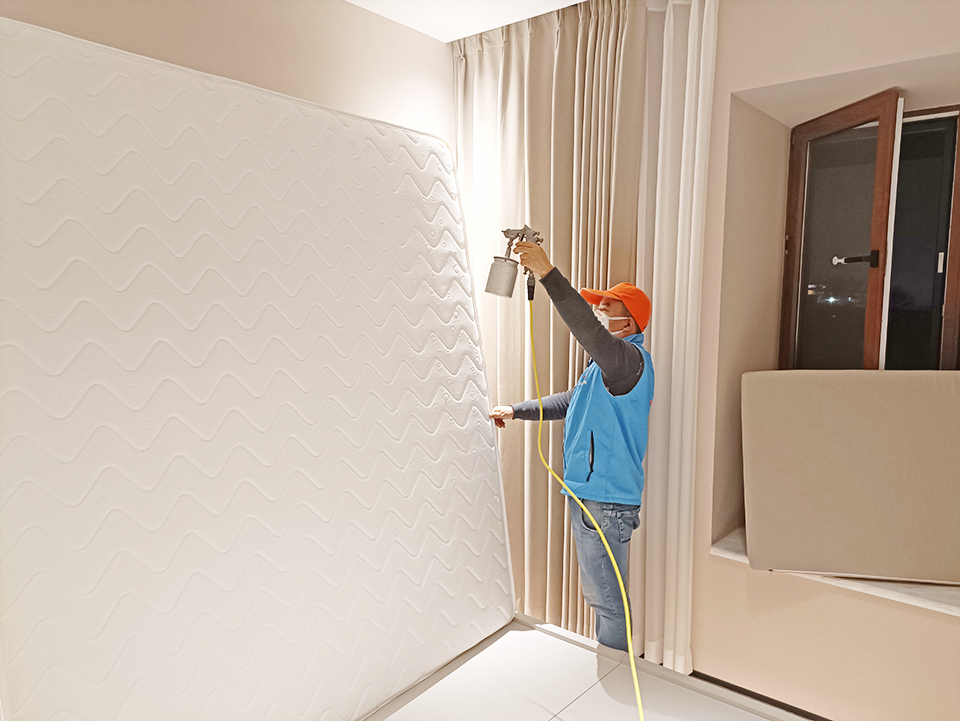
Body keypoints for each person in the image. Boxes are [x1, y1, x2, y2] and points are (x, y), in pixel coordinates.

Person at [489, 240, 654, 652]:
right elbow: (569, 401)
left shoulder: (627, 362)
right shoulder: (601, 369)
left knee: (608, 602)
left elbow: (586, 329)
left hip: (605, 500)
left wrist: (547, 273)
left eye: (608, 308)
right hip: (590, 495)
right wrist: (517, 410)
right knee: (603, 599)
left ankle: (617, 675)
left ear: (629, 322)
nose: (599, 312)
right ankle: (612, 668)